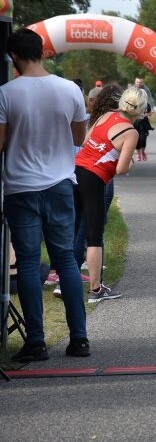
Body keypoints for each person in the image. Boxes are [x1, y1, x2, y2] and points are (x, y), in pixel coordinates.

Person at [0, 28, 90, 360]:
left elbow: (0, 144)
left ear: (14, 57)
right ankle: (79, 339)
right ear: (42, 52)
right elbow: (78, 135)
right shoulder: (70, 90)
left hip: (21, 188)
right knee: (65, 258)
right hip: (60, 185)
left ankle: (36, 342)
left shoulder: (6, 94)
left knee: (26, 263)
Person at [74, 86, 146, 303]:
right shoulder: (130, 132)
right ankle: (96, 290)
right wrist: (131, 161)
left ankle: (65, 282)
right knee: (94, 236)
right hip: (93, 179)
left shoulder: (106, 115)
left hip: (75, 171)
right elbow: (121, 169)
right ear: (141, 111)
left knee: (74, 227)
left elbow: (86, 142)